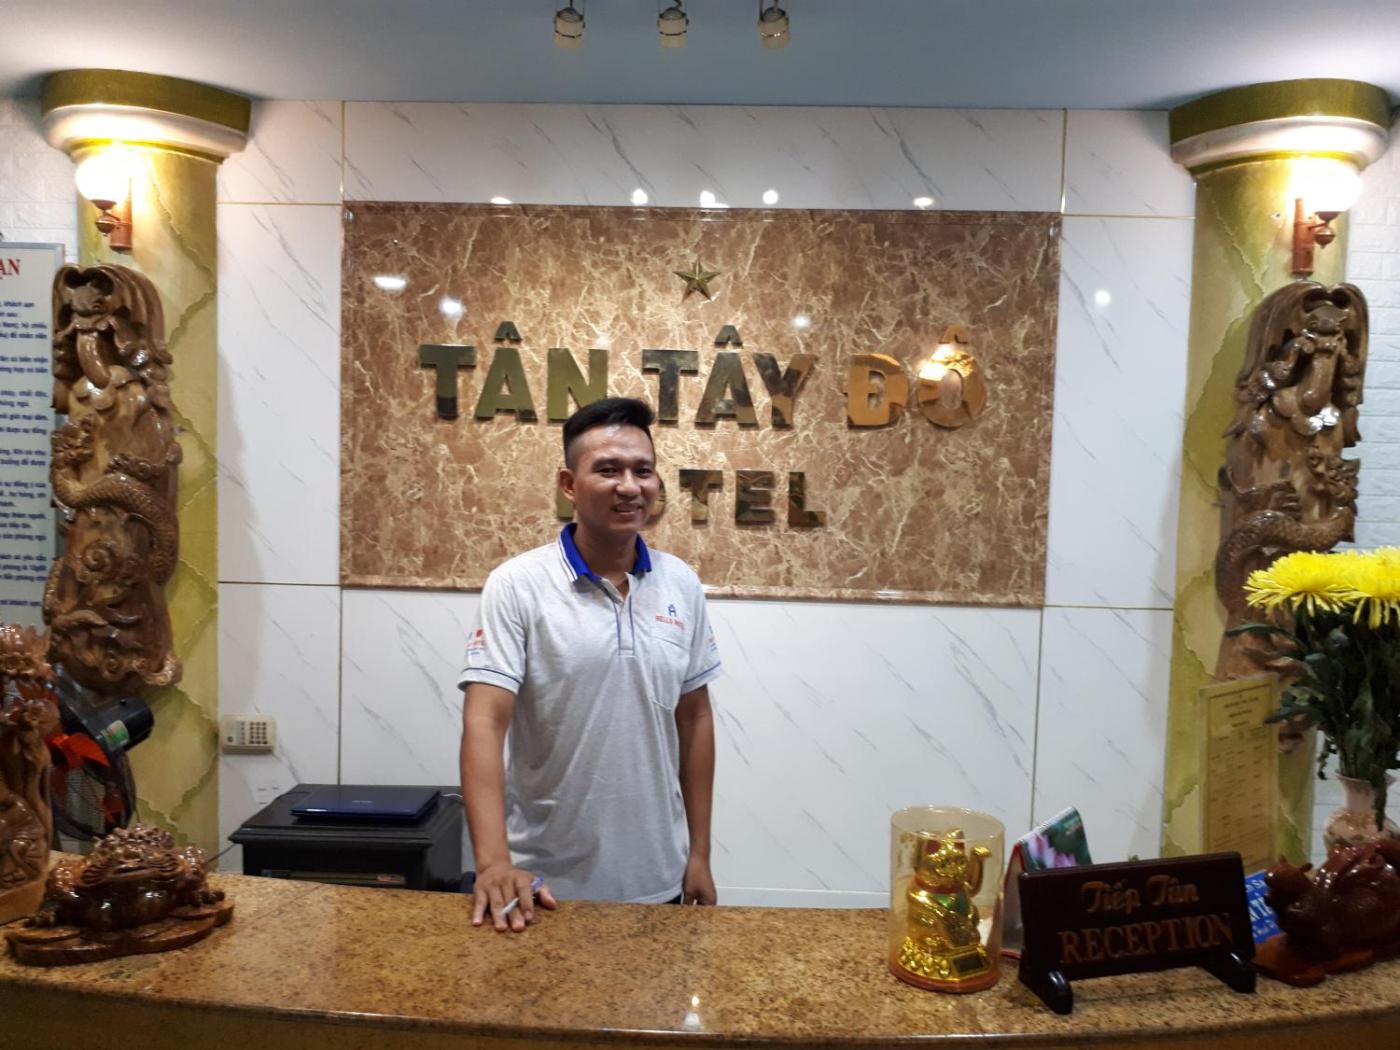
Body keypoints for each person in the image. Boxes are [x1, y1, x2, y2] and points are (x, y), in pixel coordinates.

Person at [458, 397, 722, 932]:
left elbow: (695, 718)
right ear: (568, 484)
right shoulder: (518, 585)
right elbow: (485, 720)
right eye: (608, 470)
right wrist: (493, 863)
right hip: (543, 887)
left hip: (658, 878)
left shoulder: (680, 583)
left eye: (643, 471)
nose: (630, 486)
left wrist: (699, 853)